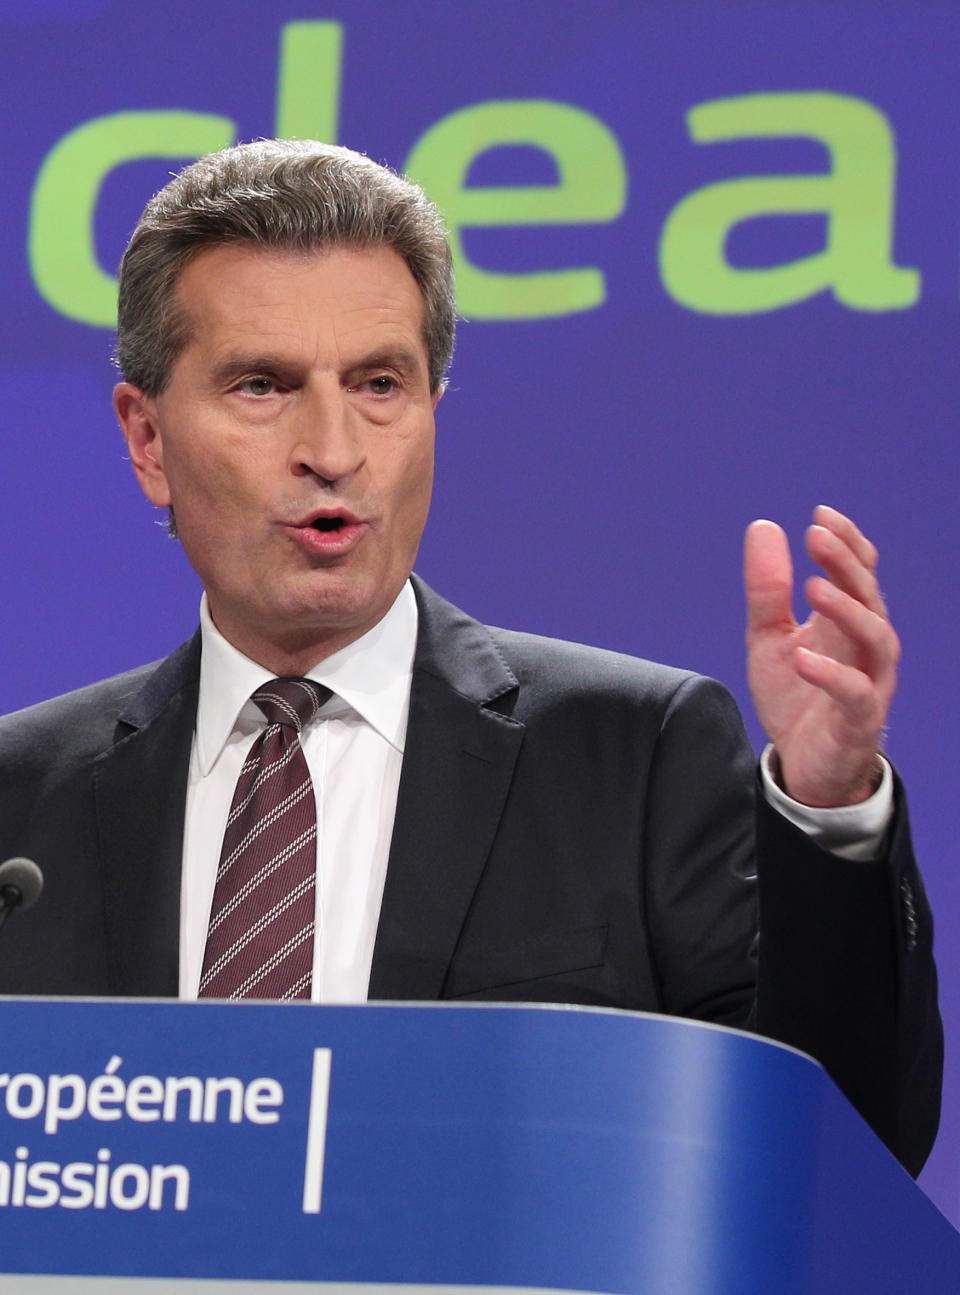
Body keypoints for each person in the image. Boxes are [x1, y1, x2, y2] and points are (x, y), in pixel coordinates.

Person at [0, 140, 940, 1174]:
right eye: (263, 385)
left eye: (380, 384)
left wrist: (829, 810)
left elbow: (842, 1149)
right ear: (147, 440)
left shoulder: (633, 755)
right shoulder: (20, 802)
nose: (334, 446)